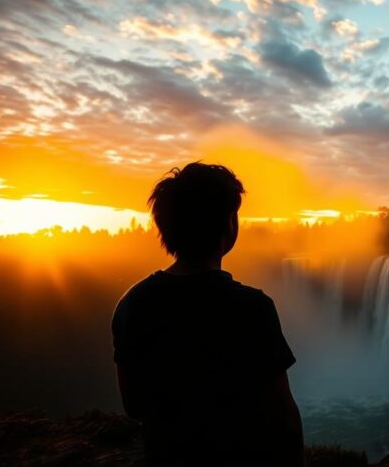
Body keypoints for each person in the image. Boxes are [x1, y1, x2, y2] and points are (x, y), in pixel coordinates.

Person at [112, 162, 303, 465]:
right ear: (229, 223)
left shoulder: (132, 305)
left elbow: (133, 405)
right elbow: (283, 412)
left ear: (166, 227)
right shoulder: (253, 308)